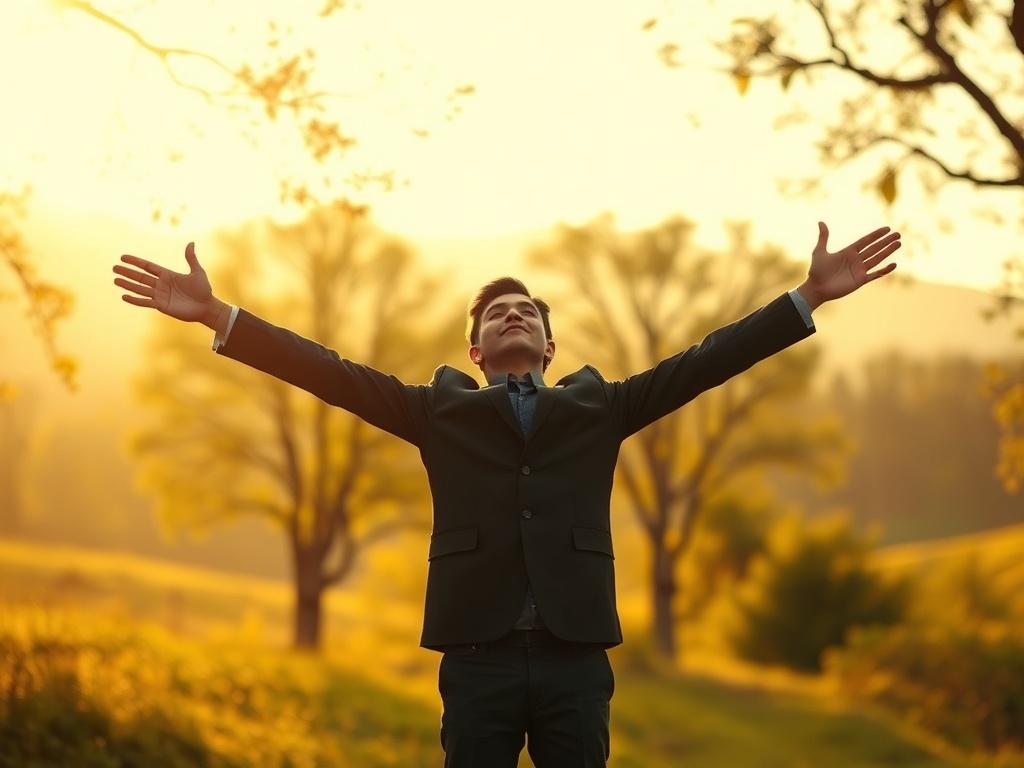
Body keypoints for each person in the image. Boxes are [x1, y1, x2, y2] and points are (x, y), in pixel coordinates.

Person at [111, 221, 900, 766]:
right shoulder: (436, 412)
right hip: (478, 656)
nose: (513, 316)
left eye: (527, 312)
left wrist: (808, 297)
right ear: (476, 346)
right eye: (498, 313)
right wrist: (218, 314)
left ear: (550, 346)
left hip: (575, 656)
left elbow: (707, 359)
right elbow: (329, 370)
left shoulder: (603, 407)